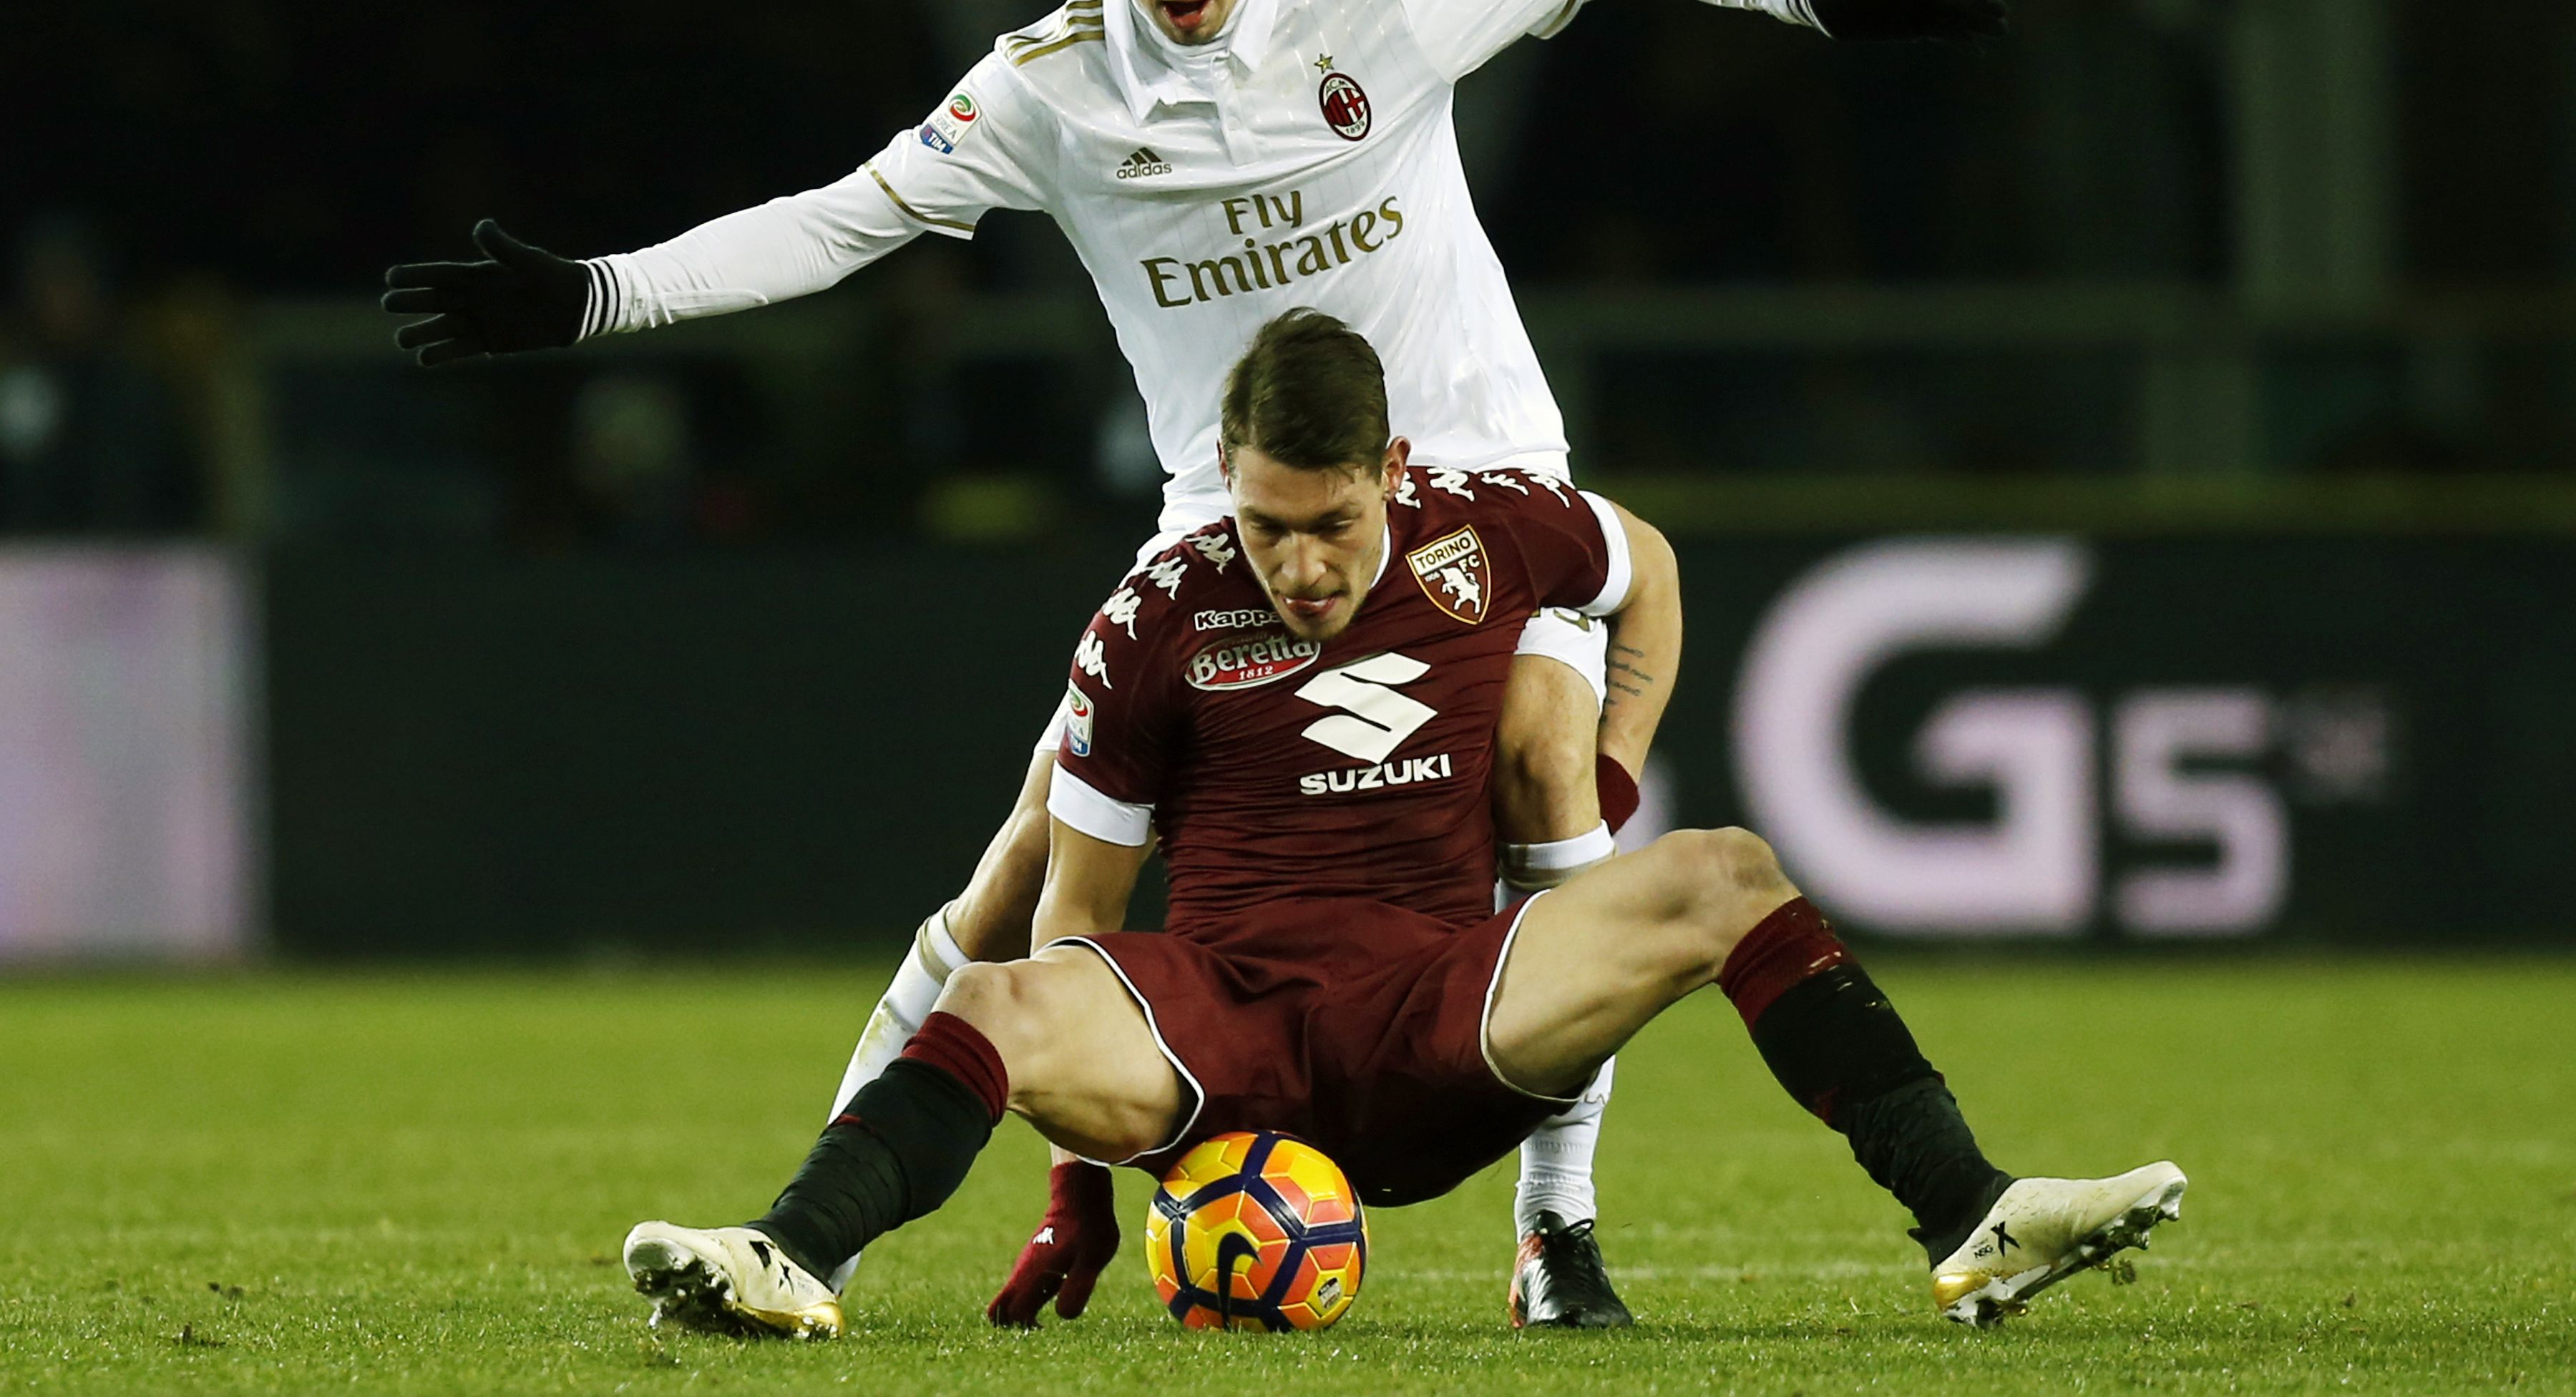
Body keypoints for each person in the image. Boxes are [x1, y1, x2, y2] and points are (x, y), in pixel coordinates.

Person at [383, 0, 2009, 1324]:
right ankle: (810, 1246)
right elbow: (839, 223)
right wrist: (601, 294)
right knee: (1023, 868)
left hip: (1470, 484)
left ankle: (1557, 1234)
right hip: (1233, 514)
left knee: (1534, 756)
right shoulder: (1049, 92)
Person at [623, 310, 2185, 1340]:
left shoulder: (1490, 530)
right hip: (1217, 1043)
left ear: (1393, 470)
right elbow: (1079, 920)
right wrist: (1077, 1182)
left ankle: (1977, 1211)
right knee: (993, 991)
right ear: (1225, 490)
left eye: (1331, 524)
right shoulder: (1155, 615)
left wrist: (1614, 768)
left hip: (1446, 1022)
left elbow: (1642, 570)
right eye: (1264, 525)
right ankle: (795, 1256)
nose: (1297, 565)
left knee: (1726, 876)